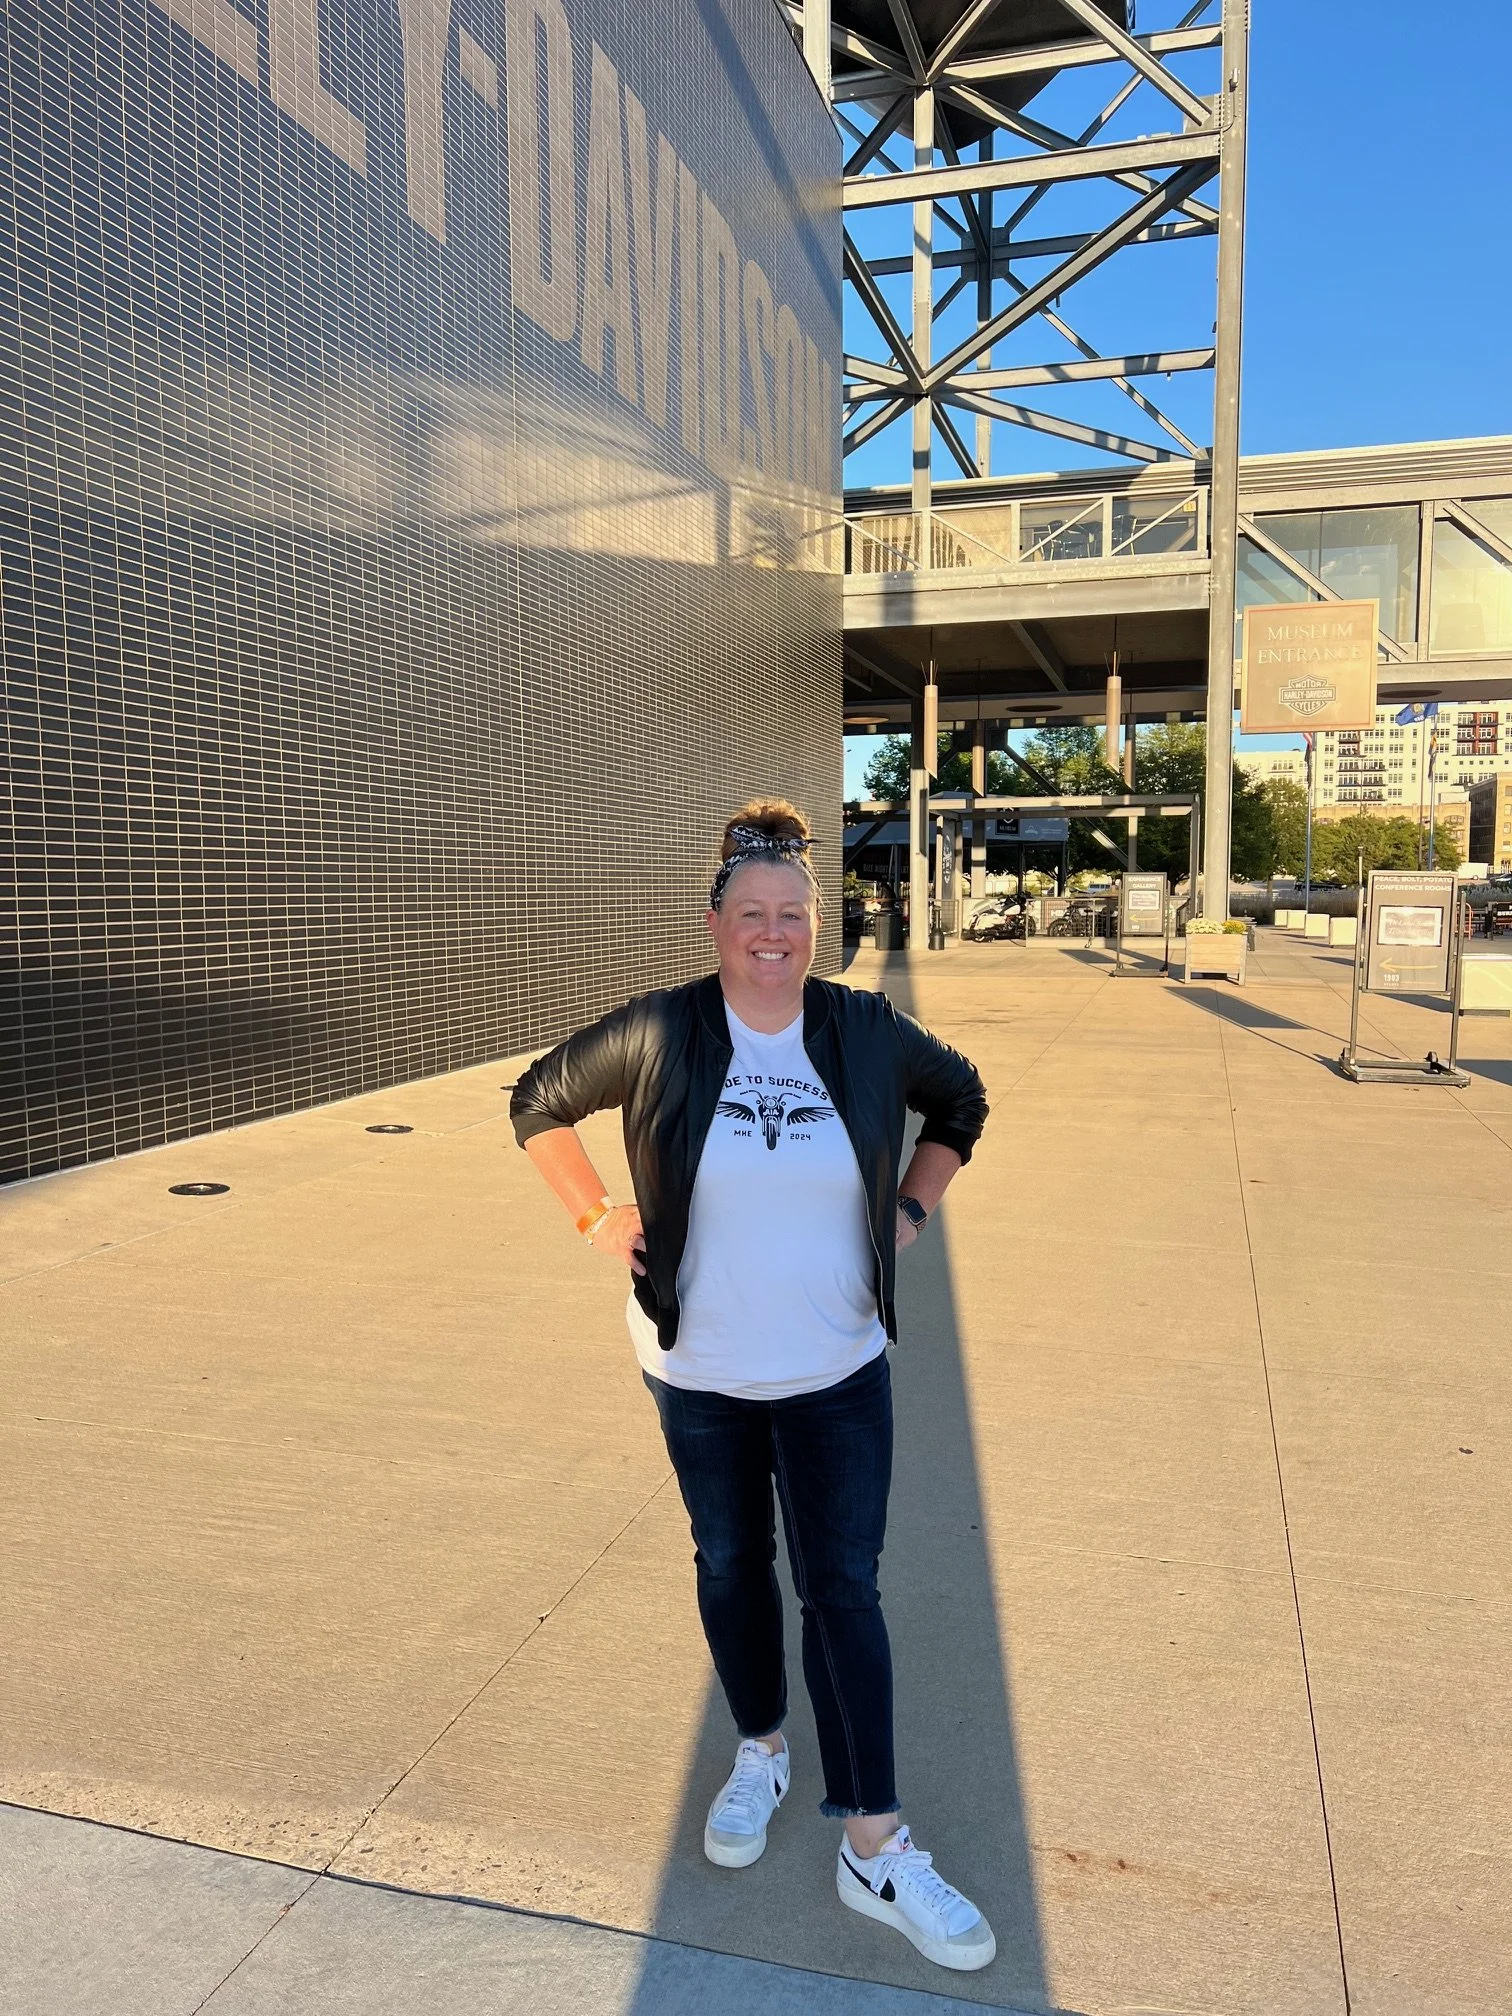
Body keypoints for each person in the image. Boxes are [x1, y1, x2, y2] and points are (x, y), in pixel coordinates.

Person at [510, 799, 993, 1973]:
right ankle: (762, 1751)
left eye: (793, 916)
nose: (773, 934)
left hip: (836, 1366)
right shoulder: (663, 1031)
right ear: (716, 922)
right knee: (728, 1560)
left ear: (812, 926)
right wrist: (594, 1209)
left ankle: (874, 1839)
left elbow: (964, 1101)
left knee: (843, 1588)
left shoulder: (865, 1030)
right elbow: (536, 1103)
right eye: (752, 916)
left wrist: (914, 1203)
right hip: (701, 1367)